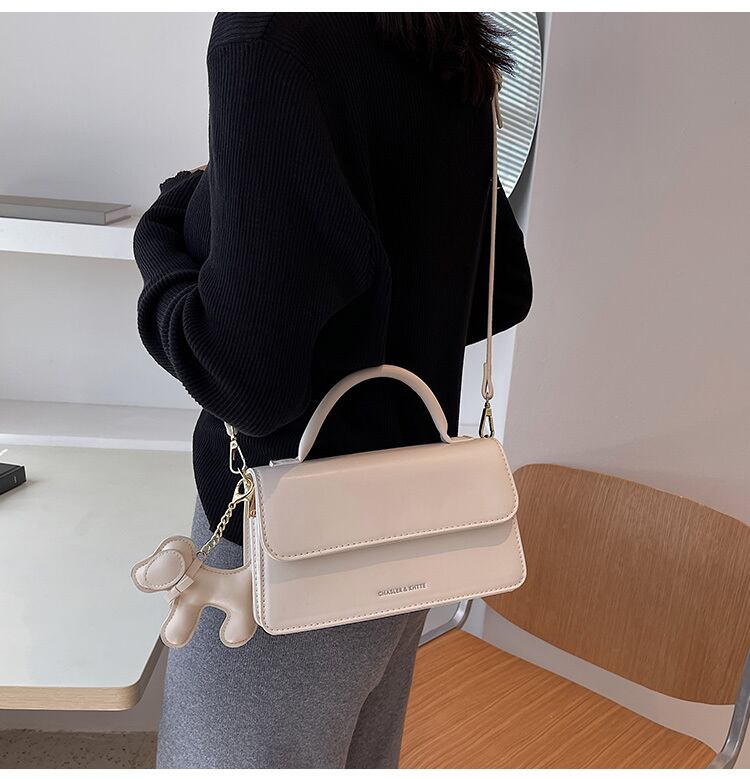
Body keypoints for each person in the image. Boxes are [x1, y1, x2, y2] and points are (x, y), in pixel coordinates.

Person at [132, 11, 532, 769]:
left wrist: (160, 236)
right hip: (410, 534)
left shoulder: (268, 36)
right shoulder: (446, 37)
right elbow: (500, 287)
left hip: (283, 554)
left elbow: (243, 377)